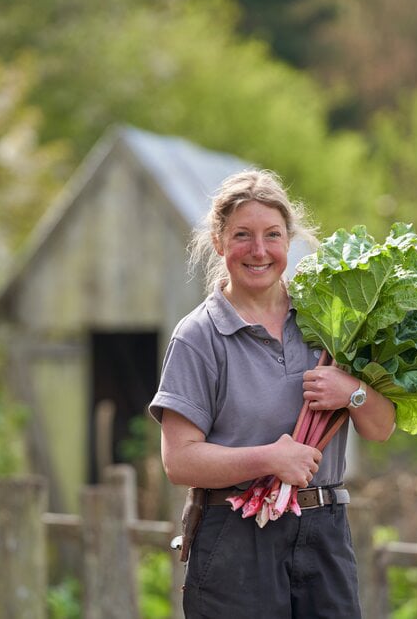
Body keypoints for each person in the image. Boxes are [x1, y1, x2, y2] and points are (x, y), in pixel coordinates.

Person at [148, 169, 396, 618]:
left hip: (324, 531)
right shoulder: (199, 337)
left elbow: (381, 429)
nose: (259, 251)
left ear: (290, 240)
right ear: (219, 241)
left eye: (272, 235)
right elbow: (179, 461)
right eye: (242, 235)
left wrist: (354, 391)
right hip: (237, 538)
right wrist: (269, 458)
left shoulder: (330, 320)